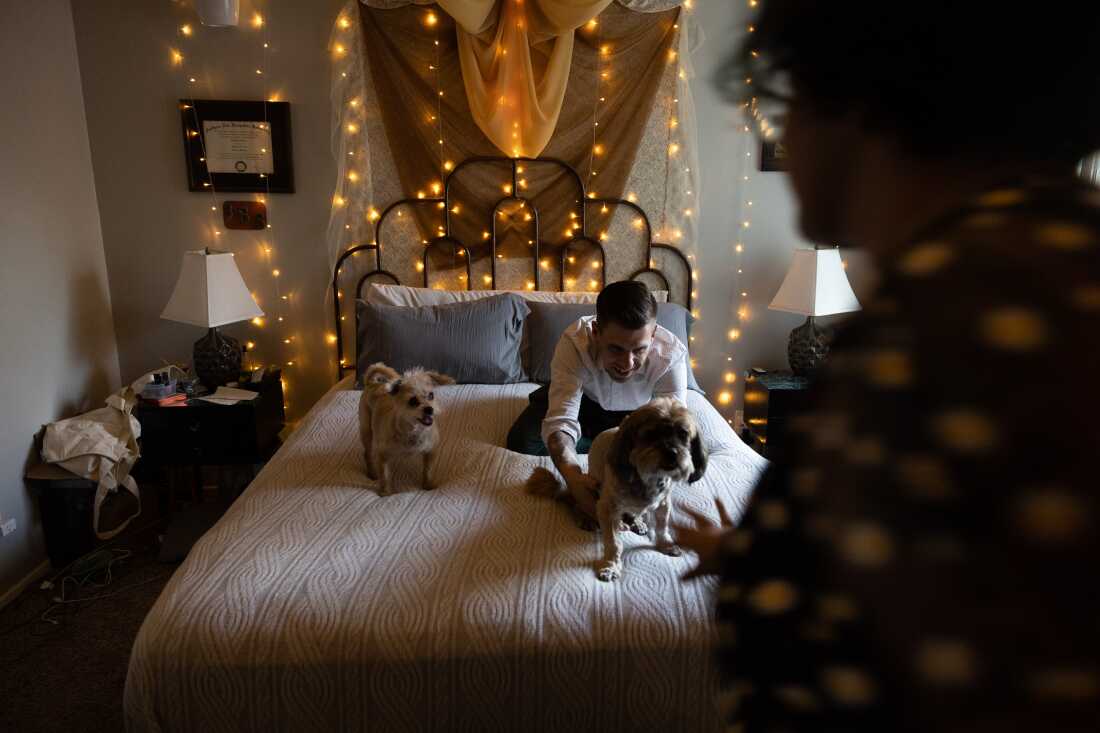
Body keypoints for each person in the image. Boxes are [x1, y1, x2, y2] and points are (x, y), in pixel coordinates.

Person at [675, 1, 1100, 731]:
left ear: (857, 106)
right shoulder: (1045, 257)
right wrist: (751, 549)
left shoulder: (956, 313)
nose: (782, 132)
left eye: (789, 100)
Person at [507, 281, 687, 520]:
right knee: (521, 441)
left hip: (640, 416)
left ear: (653, 336)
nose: (627, 364)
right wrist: (573, 477)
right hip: (584, 401)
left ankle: (610, 445)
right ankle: (606, 445)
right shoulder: (574, 342)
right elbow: (561, 418)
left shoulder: (670, 356)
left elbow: (670, 430)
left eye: (639, 350)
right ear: (596, 332)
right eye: (616, 349)